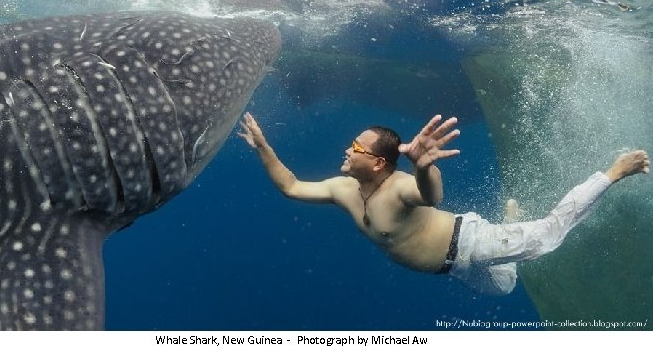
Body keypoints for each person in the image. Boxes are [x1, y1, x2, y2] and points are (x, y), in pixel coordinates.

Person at [238, 112, 650, 295]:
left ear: (378, 162)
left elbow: (432, 195)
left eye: (355, 147)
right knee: (504, 287)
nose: (347, 151)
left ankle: (614, 172)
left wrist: (422, 165)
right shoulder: (342, 190)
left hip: (468, 243)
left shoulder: (399, 186)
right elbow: (291, 186)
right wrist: (263, 147)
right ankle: (511, 218)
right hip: (454, 268)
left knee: (548, 237)